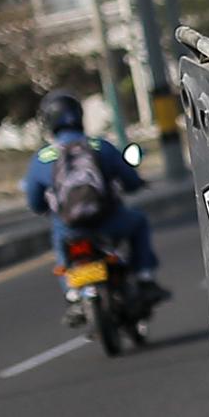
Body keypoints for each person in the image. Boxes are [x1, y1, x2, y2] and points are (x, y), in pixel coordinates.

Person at [21, 93, 163, 310]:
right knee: (139, 222)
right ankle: (145, 278)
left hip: (70, 230)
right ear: (79, 115)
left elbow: (35, 203)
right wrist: (136, 183)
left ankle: (73, 295)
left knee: (60, 242)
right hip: (109, 222)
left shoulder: (42, 158)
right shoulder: (100, 146)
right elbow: (130, 180)